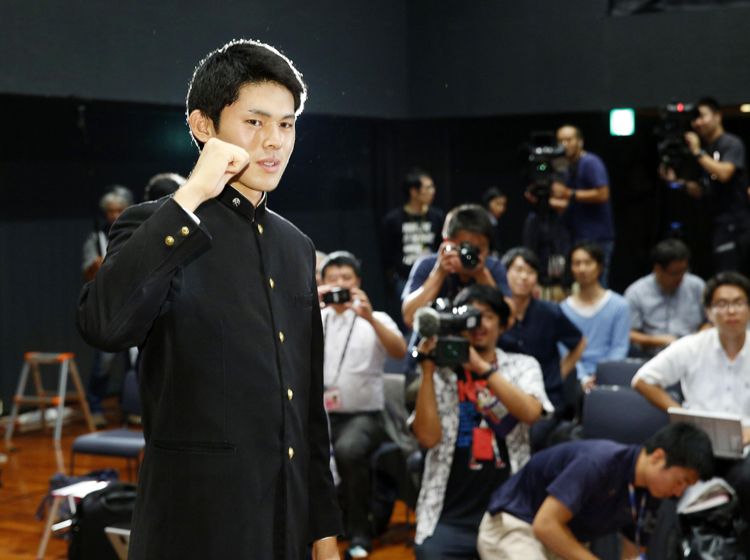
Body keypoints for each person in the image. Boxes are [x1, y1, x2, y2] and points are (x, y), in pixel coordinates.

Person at [76, 40, 340, 560]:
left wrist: (324, 535)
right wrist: (191, 195)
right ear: (203, 126)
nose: (274, 142)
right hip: (193, 527)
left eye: (286, 125)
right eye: (255, 122)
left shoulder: (296, 246)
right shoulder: (156, 224)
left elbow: (308, 413)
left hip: (285, 526)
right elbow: (103, 324)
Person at [410, 285, 553, 560]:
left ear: (503, 324)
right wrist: (427, 371)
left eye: (486, 315)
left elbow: (532, 413)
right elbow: (427, 439)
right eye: (469, 316)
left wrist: (482, 368)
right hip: (448, 513)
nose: (477, 324)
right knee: (428, 553)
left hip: (509, 512)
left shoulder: (522, 365)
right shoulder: (442, 372)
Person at [632, 271, 750, 553]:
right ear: (709, 312)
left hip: (746, 445)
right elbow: (642, 380)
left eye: (738, 302)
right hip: (698, 443)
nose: (730, 310)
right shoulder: (692, 346)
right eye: (721, 304)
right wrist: (681, 412)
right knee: (664, 477)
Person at [476, 422, 714, 560]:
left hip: (561, 542)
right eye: (680, 481)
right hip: (517, 527)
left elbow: (633, 549)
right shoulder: (598, 462)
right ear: (658, 457)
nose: (677, 492)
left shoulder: (652, 491)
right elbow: (545, 524)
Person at [318, 251, 407, 557]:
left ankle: (359, 533)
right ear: (321, 283)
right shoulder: (315, 317)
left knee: (349, 450)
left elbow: (400, 352)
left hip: (364, 417)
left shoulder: (376, 318)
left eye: (346, 278)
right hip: (319, 417)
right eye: (332, 280)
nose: (339, 284)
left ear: (357, 282)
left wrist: (368, 317)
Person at [498, 248, 586, 451]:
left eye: (530, 272)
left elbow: (580, 343)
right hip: (502, 396)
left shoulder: (550, 312)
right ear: (505, 274)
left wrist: (558, 374)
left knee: (532, 437)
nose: (523, 277)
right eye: (518, 270)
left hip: (545, 399)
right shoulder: (494, 314)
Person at [81, 186, 135, 429]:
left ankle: (131, 406)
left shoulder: (138, 232)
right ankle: (94, 407)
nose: (114, 215)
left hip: (135, 304)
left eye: (119, 210)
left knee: (135, 362)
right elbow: (88, 275)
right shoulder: (97, 238)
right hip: (110, 308)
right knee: (104, 361)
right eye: (110, 211)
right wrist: (96, 265)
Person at [679, 97, 750, 275]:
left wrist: (697, 152)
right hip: (714, 223)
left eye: (701, 116)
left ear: (718, 116)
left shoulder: (730, 143)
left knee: (731, 276)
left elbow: (724, 174)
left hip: (736, 224)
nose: (697, 123)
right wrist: (677, 183)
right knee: (721, 273)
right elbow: (706, 190)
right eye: (694, 118)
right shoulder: (708, 149)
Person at [550, 126, 616, 288]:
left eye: (568, 140)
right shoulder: (564, 168)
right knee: (579, 285)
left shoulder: (590, 162)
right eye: (560, 141)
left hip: (597, 236)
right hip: (576, 236)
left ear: (580, 141)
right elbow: (566, 202)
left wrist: (569, 193)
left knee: (597, 284)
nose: (564, 145)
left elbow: (603, 194)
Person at [560, 242, 630, 389]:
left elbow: (619, 347)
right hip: (574, 379)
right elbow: (564, 351)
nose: (582, 269)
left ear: (599, 266)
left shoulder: (619, 305)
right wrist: (583, 378)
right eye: (576, 263)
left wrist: (602, 377)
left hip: (610, 377)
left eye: (587, 263)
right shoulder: (563, 309)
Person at [380, 169, 444, 328]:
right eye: (428, 188)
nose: (433, 191)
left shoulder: (437, 216)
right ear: (414, 192)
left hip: (433, 277)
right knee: (407, 323)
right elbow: (386, 253)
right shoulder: (393, 219)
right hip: (404, 279)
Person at [624, 239, 707, 357]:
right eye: (675, 273)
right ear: (658, 269)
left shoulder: (697, 286)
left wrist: (697, 339)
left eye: (684, 270)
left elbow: (710, 321)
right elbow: (628, 333)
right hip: (652, 356)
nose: (681, 277)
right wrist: (657, 340)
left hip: (694, 353)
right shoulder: (636, 292)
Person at [482, 187, 507, 256]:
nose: (501, 208)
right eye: (498, 204)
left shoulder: (497, 223)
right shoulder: (483, 222)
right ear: (489, 202)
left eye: (504, 205)